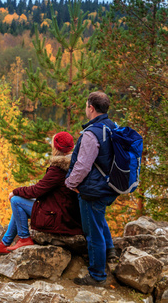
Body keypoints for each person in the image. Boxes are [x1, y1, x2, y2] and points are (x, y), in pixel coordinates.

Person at [0, 131, 83, 255]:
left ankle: (24, 238)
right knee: (19, 207)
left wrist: (15, 191)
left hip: (60, 216)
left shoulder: (59, 168)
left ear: (56, 147)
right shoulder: (76, 163)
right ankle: (4, 244)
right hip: (66, 211)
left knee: (16, 201)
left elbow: (37, 190)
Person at [65, 91, 118, 286]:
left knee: (92, 232)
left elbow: (82, 166)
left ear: (91, 108)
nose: (86, 109)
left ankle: (97, 275)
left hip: (93, 190)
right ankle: (110, 250)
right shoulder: (113, 127)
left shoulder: (91, 133)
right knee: (99, 218)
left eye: (86, 105)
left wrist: (70, 183)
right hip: (109, 186)